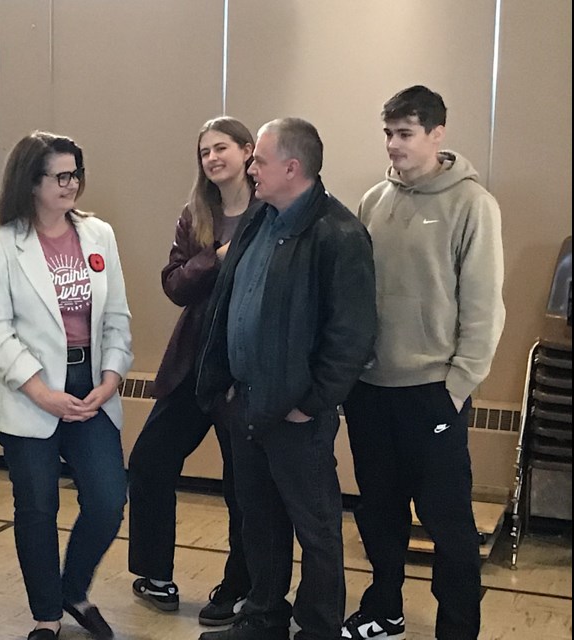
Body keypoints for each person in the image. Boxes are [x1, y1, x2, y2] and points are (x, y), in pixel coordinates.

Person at [196, 117, 377, 640]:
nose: (251, 167)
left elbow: (352, 333)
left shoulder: (339, 234)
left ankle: (318, 628)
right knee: (259, 519)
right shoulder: (259, 219)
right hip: (247, 403)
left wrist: (312, 402)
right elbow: (232, 302)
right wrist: (227, 386)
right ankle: (263, 616)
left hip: (297, 413)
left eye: (261, 160)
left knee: (315, 527)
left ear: (292, 167)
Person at [340, 85, 505, 640]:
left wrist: (455, 390)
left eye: (405, 134)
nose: (393, 145)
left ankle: (457, 629)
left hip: (432, 392)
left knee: (447, 525)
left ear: (437, 134)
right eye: (388, 133)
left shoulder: (472, 205)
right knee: (378, 515)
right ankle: (384, 609)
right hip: (370, 390)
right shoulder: (373, 201)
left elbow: (483, 310)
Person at [0, 131, 133, 640]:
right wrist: (40, 391)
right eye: (61, 176)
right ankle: (47, 615)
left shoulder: (98, 235)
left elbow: (117, 317)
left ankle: (74, 588)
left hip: (90, 385)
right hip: (30, 392)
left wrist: (111, 378)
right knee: (38, 505)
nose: (73, 185)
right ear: (31, 181)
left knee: (108, 499)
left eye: (76, 174)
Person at [128, 116, 254, 626]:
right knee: (149, 461)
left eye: (221, 148)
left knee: (241, 483)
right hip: (192, 364)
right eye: (204, 152)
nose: (212, 159)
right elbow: (176, 284)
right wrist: (217, 257)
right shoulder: (195, 214)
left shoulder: (270, 213)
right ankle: (155, 573)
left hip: (241, 370)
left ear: (248, 152)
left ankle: (239, 585)